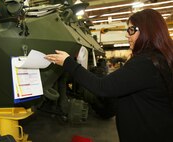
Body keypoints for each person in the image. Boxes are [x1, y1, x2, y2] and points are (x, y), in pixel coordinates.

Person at [45, 9, 173, 142]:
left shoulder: (145, 63)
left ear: (147, 30)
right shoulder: (160, 59)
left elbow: (102, 87)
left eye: (131, 30)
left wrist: (68, 63)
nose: (126, 35)